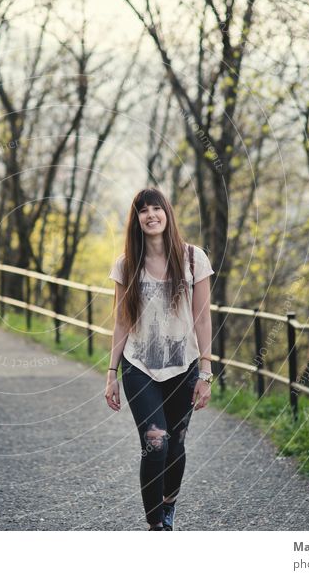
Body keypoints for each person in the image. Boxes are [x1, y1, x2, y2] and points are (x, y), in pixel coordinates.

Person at [104, 187, 215, 530]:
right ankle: (156, 526)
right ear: (136, 220)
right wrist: (111, 373)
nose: (151, 215)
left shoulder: (194, 259)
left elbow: (202, 317)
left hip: (183, 367)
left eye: (157, 208)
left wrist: (206, 372)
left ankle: (168, 505)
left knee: (176, 445)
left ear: (167, 213)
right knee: (156, 442)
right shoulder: (126, 264)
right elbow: (122, 319)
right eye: (143, 210)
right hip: (139, 367)